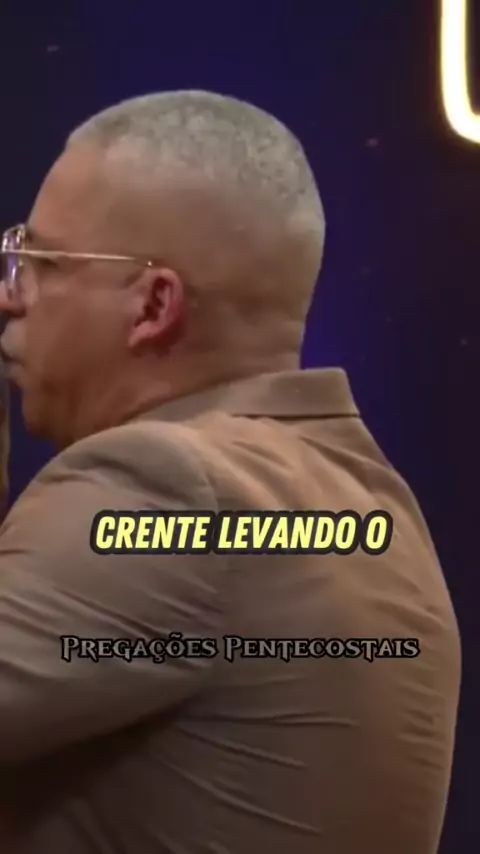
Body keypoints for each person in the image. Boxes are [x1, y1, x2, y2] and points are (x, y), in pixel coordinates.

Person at [0, 90, 460, 854]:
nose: (10, 296)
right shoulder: (372, 505)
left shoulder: (165, 488)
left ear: (153, 305)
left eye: (41, 263)